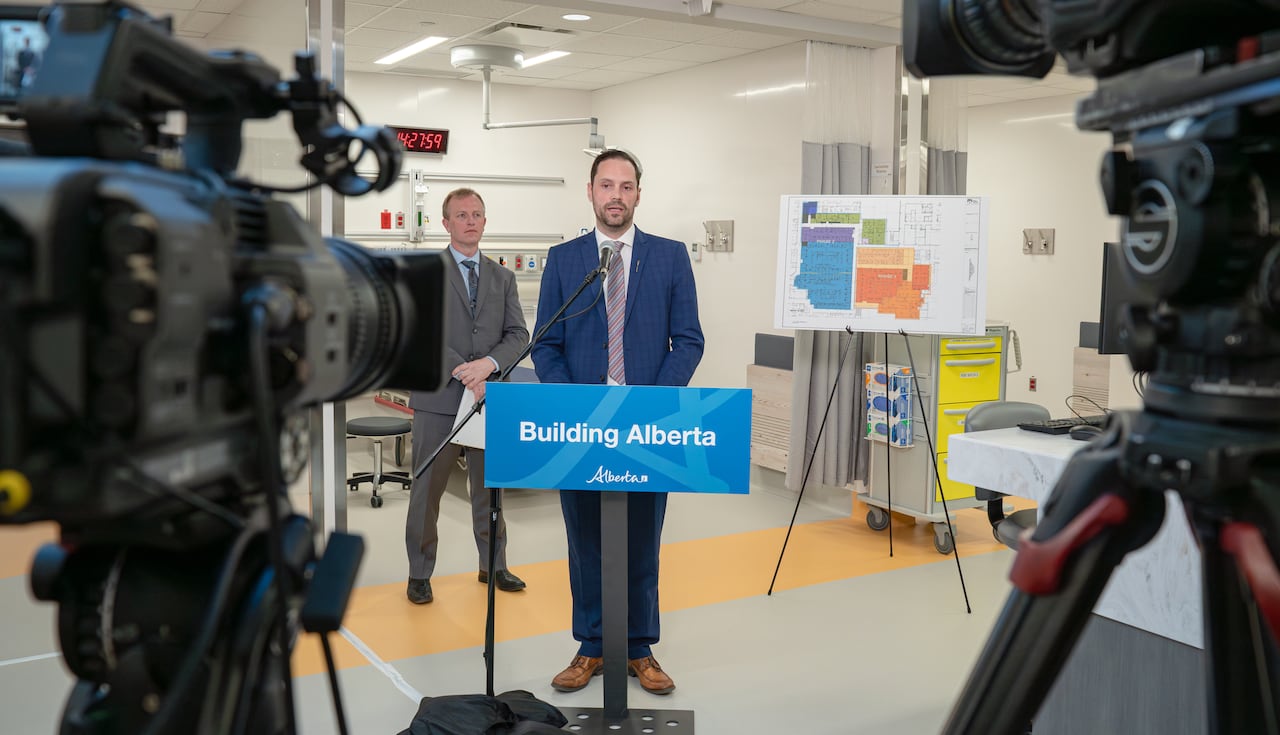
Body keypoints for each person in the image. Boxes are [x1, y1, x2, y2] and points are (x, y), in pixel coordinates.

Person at [532, 150, 704, 695]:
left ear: (638, 194)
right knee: (585, 539)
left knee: (641, 538)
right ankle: (589, 646)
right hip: (581, 428)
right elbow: (546, 344)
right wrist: (573, 406)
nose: (616, 195)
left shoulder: (670, 257)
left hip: (646, 427)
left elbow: (689, 340)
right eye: (606, 185)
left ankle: (639, 648)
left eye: (626, 186)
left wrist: (651, 406)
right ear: (589, 191)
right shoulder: (564, 260)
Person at [405, 188, 530, 604]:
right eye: (461, 215)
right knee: (428, 491)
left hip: (490, 397)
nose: (471, 221)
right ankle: (419, 573)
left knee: (489, 488)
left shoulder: (503, 277)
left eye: (477, 214)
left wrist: (489, 366)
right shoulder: (424, 272)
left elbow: (518, 335)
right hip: (440, 396)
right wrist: (466, 370)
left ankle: (493, 565)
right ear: (445, 224)